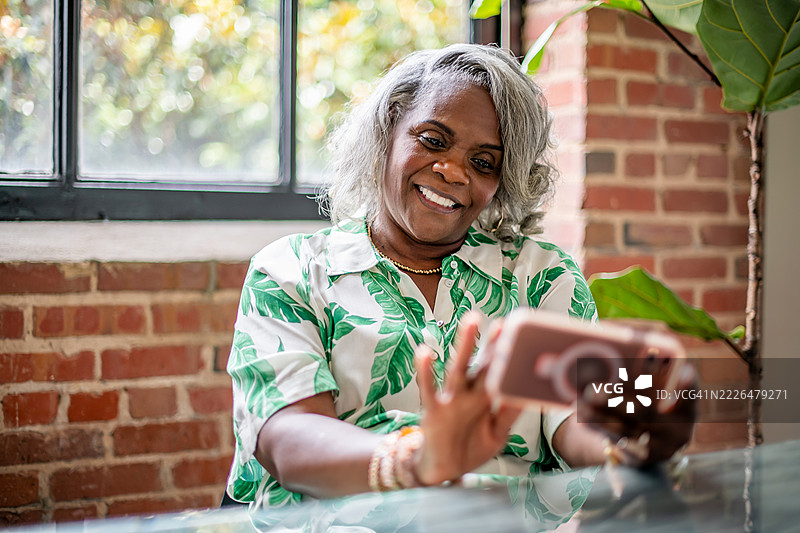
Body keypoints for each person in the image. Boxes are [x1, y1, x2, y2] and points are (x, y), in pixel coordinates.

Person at [225, 44, 695, 513]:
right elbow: (288, 439)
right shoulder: (292, 272)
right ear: (388, 131)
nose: (452, 171)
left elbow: (575, 417)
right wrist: (415, 461)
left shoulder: (539, 278)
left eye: (483, 162)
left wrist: (626, 437)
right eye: (432, 140)